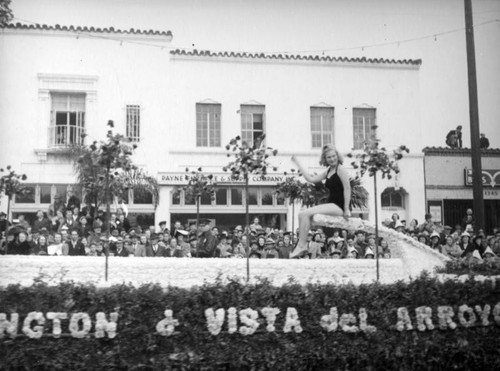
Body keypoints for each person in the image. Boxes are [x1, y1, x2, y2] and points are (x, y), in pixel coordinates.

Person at [290, 145, 351, 258]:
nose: (332, 159)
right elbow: (311, 179)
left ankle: (301, 246)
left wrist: (347, 209)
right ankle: (301, 245)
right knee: (301, 214)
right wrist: (298, 164)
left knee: (305, 213)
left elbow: (347, 188)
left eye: (333, 156)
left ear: (337, 156)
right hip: (332, 204)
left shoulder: (341, 169)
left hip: (339, 206)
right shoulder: (328, 170)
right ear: (325, 159)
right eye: (329, 157)